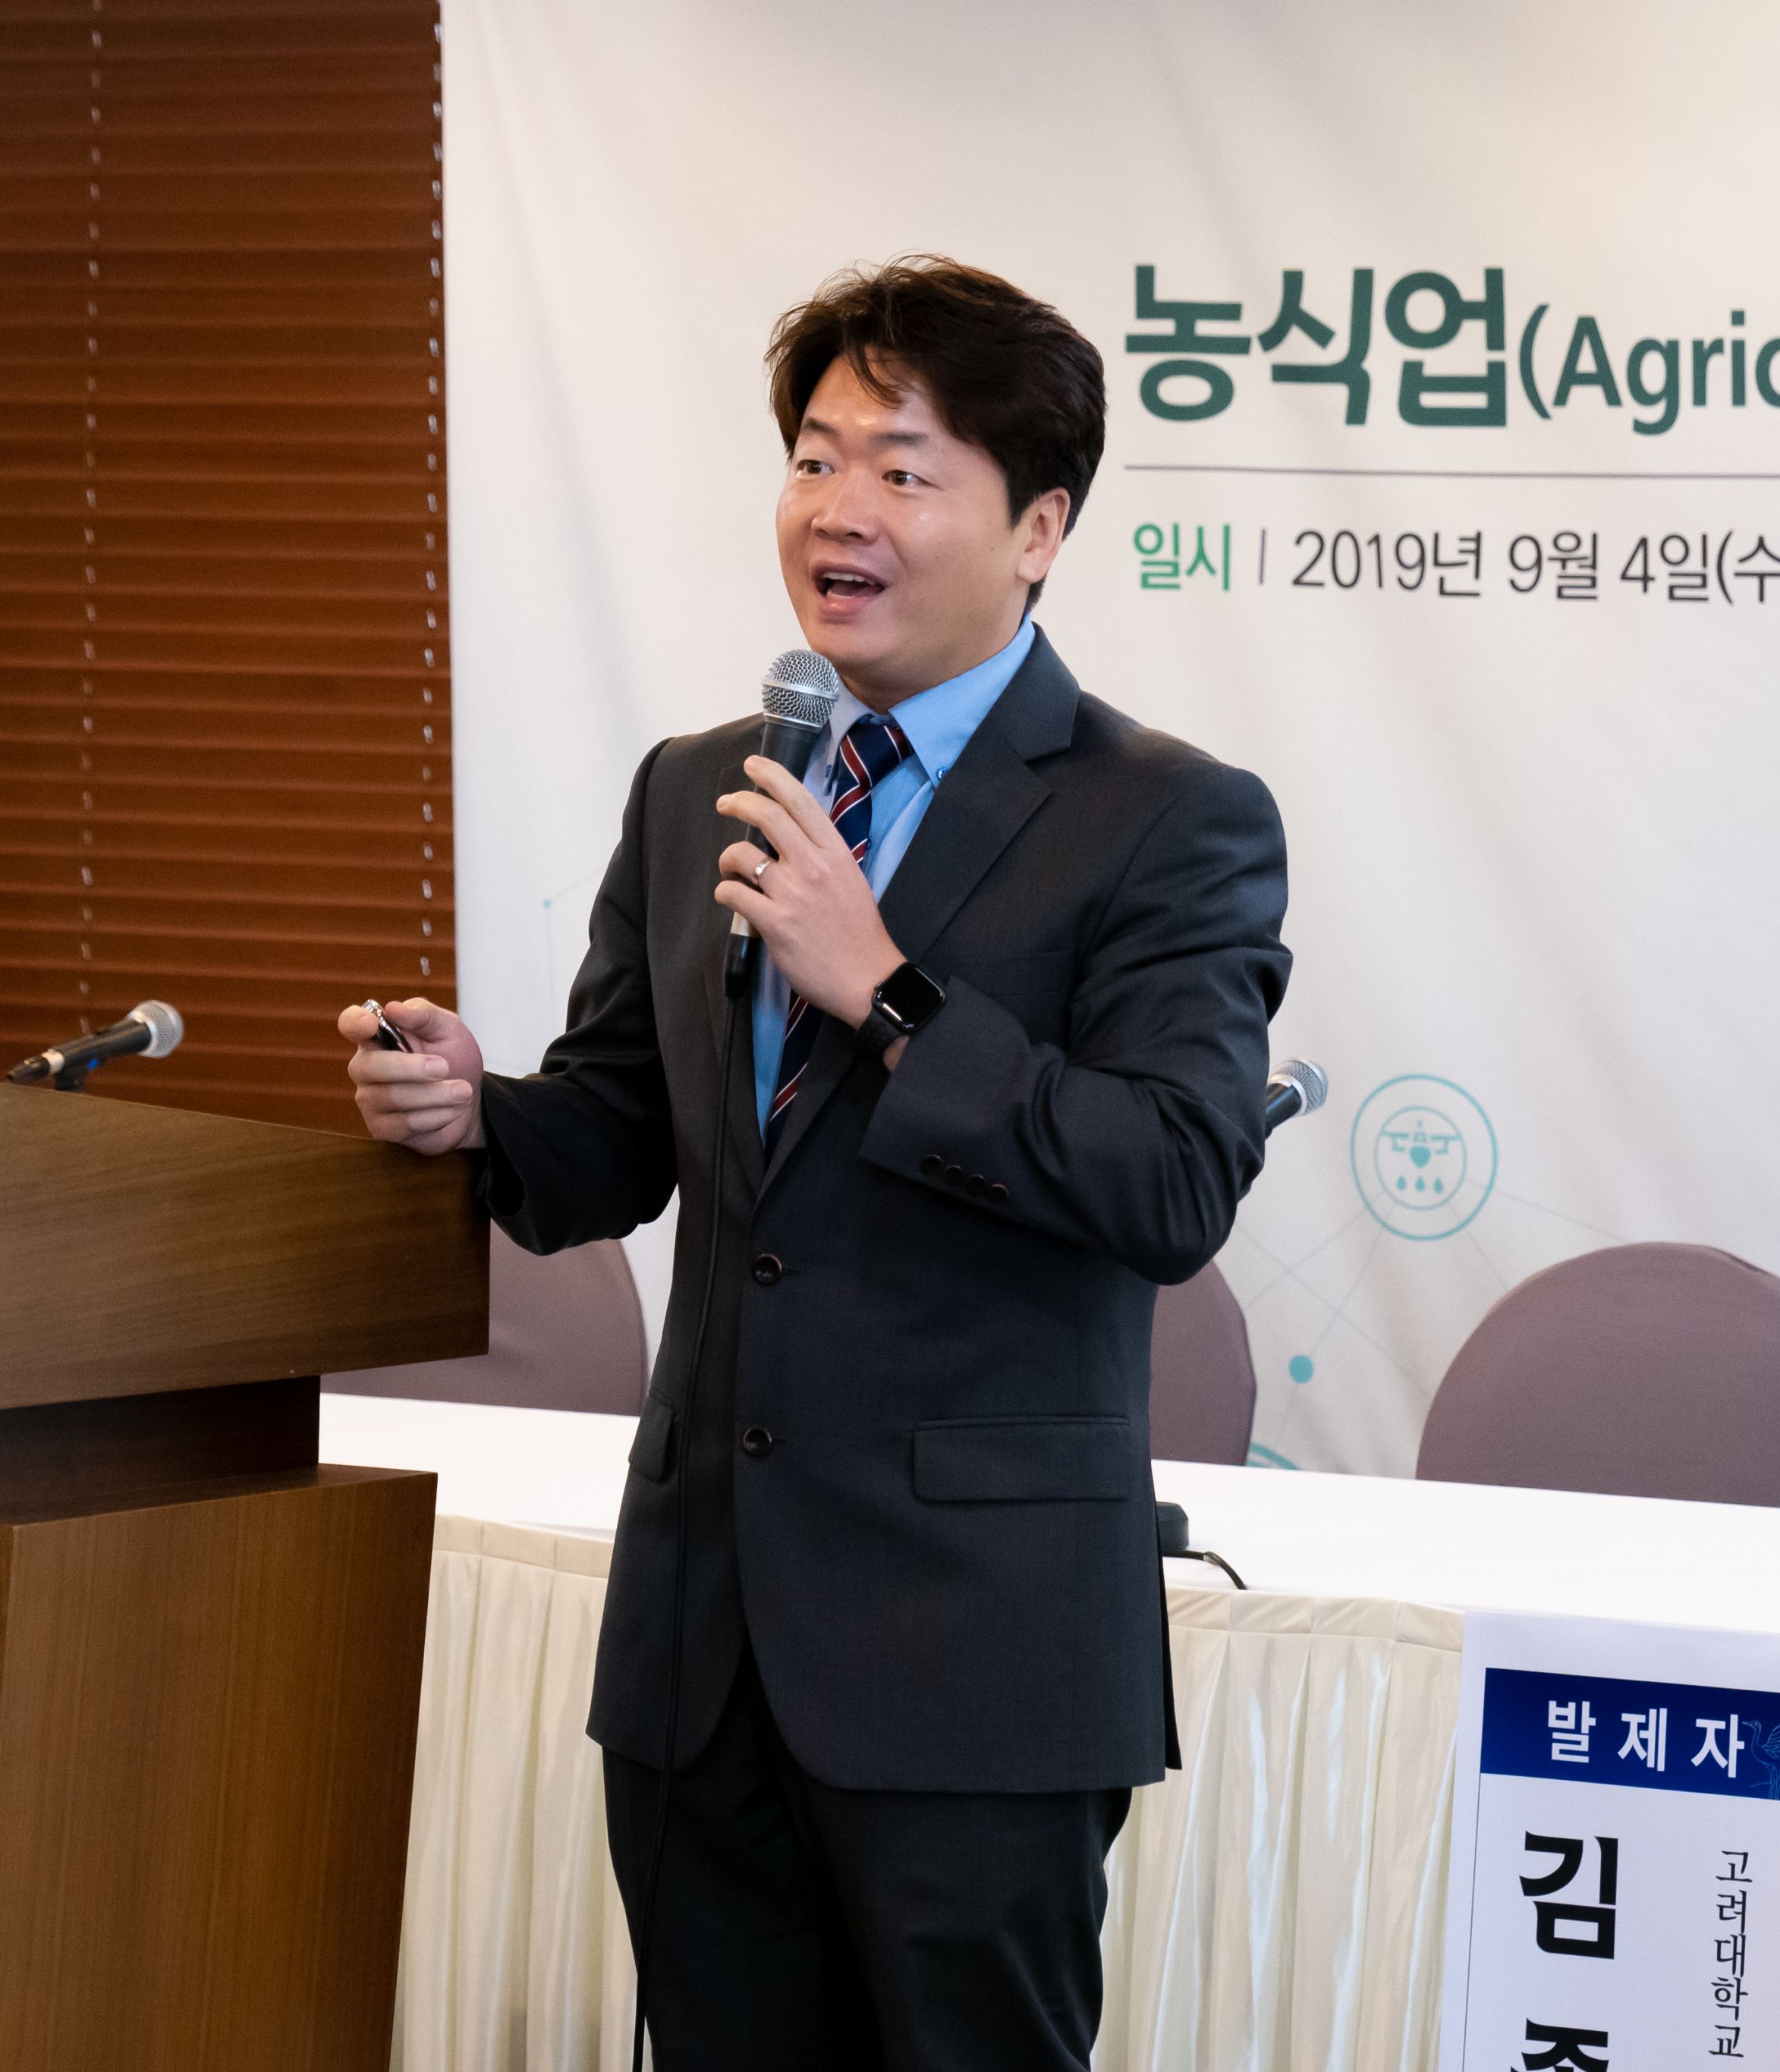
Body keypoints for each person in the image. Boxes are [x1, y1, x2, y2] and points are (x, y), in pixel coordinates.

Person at [340, 256, 1291, 2072]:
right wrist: (478, 1111)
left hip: (971, 1656)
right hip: (704, 1645)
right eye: (811, 457)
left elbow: (1170, 1179)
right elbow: (623, 1128)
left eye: (905, 469)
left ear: (1038, 529)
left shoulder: (1163, 817)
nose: (838, 510)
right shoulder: (708, 776)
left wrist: (890, 994)